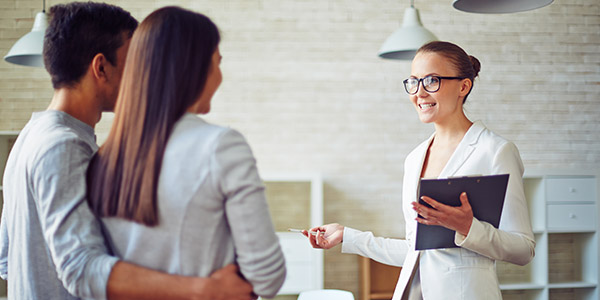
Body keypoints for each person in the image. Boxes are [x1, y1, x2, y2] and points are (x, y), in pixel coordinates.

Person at [0, 2, 254, 300]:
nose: (143, 75)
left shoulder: (31, 136)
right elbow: (81, 268)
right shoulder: (64, 146)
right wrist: (206, 290)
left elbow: (7, 260)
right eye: (134, 62)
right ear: (101, 67)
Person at [303, 41, 535, 300]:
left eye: (432, 80)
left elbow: (523, 250)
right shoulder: (414, 158)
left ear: (463, 86)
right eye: (414, 82)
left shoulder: (495, 151)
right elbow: (416, 251)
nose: (419, 92)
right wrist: (348, 236)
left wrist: (468, 228)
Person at [85, 6, 286, 299]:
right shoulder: (220, 146)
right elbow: (267, 277)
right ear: (194, 67)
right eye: (217, 62)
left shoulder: (103, 158)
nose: (220, 76)